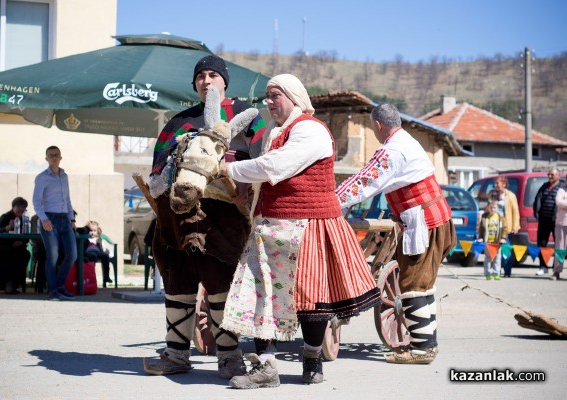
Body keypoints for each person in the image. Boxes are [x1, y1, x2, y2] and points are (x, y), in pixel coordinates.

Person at [220, 74, 381, 388]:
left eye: (275, 95)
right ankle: (267, 368)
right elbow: (264, 167)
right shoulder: (274, 131)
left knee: (311, 299)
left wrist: (226, 169)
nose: (269, 102)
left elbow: (273, 167)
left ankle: (312, 358)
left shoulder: (310, 129)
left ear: (294, 96)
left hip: (309, 223)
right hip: (273, 223)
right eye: (267, 96)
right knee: (259, 294)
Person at [143, 55, 267, 379]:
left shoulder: (245, 115)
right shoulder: (179, 121)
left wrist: (242, 180)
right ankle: (175, 354)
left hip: (224, 214)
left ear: (225, 82)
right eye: (201, 76)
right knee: (178, 280)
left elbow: (264, 156)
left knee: (219, 282)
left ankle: (229, 357)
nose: (207, 81)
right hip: (177, 215)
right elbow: (158, 166)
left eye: (213, 75)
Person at [336, 103, 456, 365]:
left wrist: (331, 200)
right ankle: (426, 344)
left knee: (413, 284)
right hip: (437, 219)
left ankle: (423, 350)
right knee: (423, 285)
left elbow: (364, 182)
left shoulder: (392, 150)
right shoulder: (409, 141)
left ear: (378, 126)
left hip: (424, 224)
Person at [32, 145, 77, 301]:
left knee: (72, 254)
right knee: (53, 256)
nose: (54, 157)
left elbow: (68, 200)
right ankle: (53, 291)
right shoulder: (42, 177)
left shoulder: (64, 176)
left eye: (56, 155)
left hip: (65, 219)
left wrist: (72, 220)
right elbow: (36, 201)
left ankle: (60, 286)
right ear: (46, 158)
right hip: (49, 219)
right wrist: (44, 219)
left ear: (60, 157)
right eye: (51, 155)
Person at [0, 197, 31, 294]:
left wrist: (21, 242)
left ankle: (15, 283)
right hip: (4, 246)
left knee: (26, 254)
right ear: (13, 207)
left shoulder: (24, 220)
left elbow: (27, 236)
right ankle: (8, 284)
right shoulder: (5, 217)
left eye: (23, 207)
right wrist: (7, 228)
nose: (21, 209)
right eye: (19, 206)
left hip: (18, 247)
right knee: (10, 255)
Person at [489, 176, 520, 277]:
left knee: (505, 250)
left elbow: (515, 212)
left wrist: (515, 226)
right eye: (495, 183)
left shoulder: (510, 196)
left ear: (504, 184)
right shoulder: (493, 195)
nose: (495, 185)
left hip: (505, 228)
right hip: (493, 227)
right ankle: (496, 271)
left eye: (497, 183)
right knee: (494, 250)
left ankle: (507, 271)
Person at [533, 168, 562, 276]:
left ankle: (556, 268)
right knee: (542, 243)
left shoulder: (562, 187)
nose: (549, 176)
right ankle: (543, 266)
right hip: (543, 220)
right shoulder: (544, 186)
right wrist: (536, 213)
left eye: (552, 174)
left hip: (557, 221)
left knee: (558, 244)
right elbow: (537, 199)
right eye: (548, 174)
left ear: (558, 176)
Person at [477, 199, 508, 280]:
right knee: (488, 258)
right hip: (488, 242)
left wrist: (503, 238)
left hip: (497, 242)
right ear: (488, 208)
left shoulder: (500, 217)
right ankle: (488, 273)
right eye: (491, 207)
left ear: (497, 208)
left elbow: (505, 228)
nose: (493, 209)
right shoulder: (484, 217)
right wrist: (480, 237)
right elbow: (481, 229)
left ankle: (496, 273)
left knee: (497, 258)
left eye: (494, 208)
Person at [82, 221, 113, 286]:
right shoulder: (86, 238)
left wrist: (108, 253)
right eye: (91, 230)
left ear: (98, 231)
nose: (92, 233)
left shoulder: (98, 239)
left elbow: (103, 248)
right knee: (93, 256)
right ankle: (91, 275)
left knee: (105, 256)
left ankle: (106, 276)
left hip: (98, 251)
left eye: (94, 231)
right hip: (89, 252)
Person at [552, 185, 567, 280]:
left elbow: (563, 203)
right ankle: (556, 271)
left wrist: (564, 205)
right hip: (562, 222)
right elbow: (558, 202)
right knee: (560, 248)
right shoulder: (561, 190)